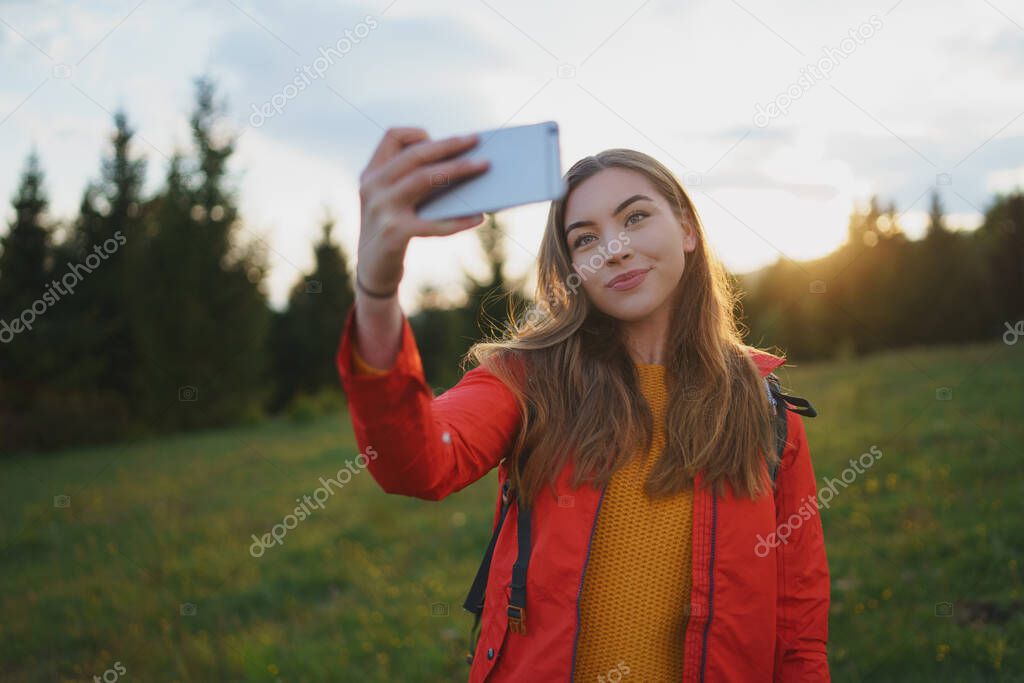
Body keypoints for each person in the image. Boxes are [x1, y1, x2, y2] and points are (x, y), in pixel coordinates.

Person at [336, 127, 831, 682]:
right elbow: (417, 463)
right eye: (585, 239)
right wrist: (377, 291)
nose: (615, 249)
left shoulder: (765, 410)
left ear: (687, 229)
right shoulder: (527, 381)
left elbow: (799, 631)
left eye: (636, 217)